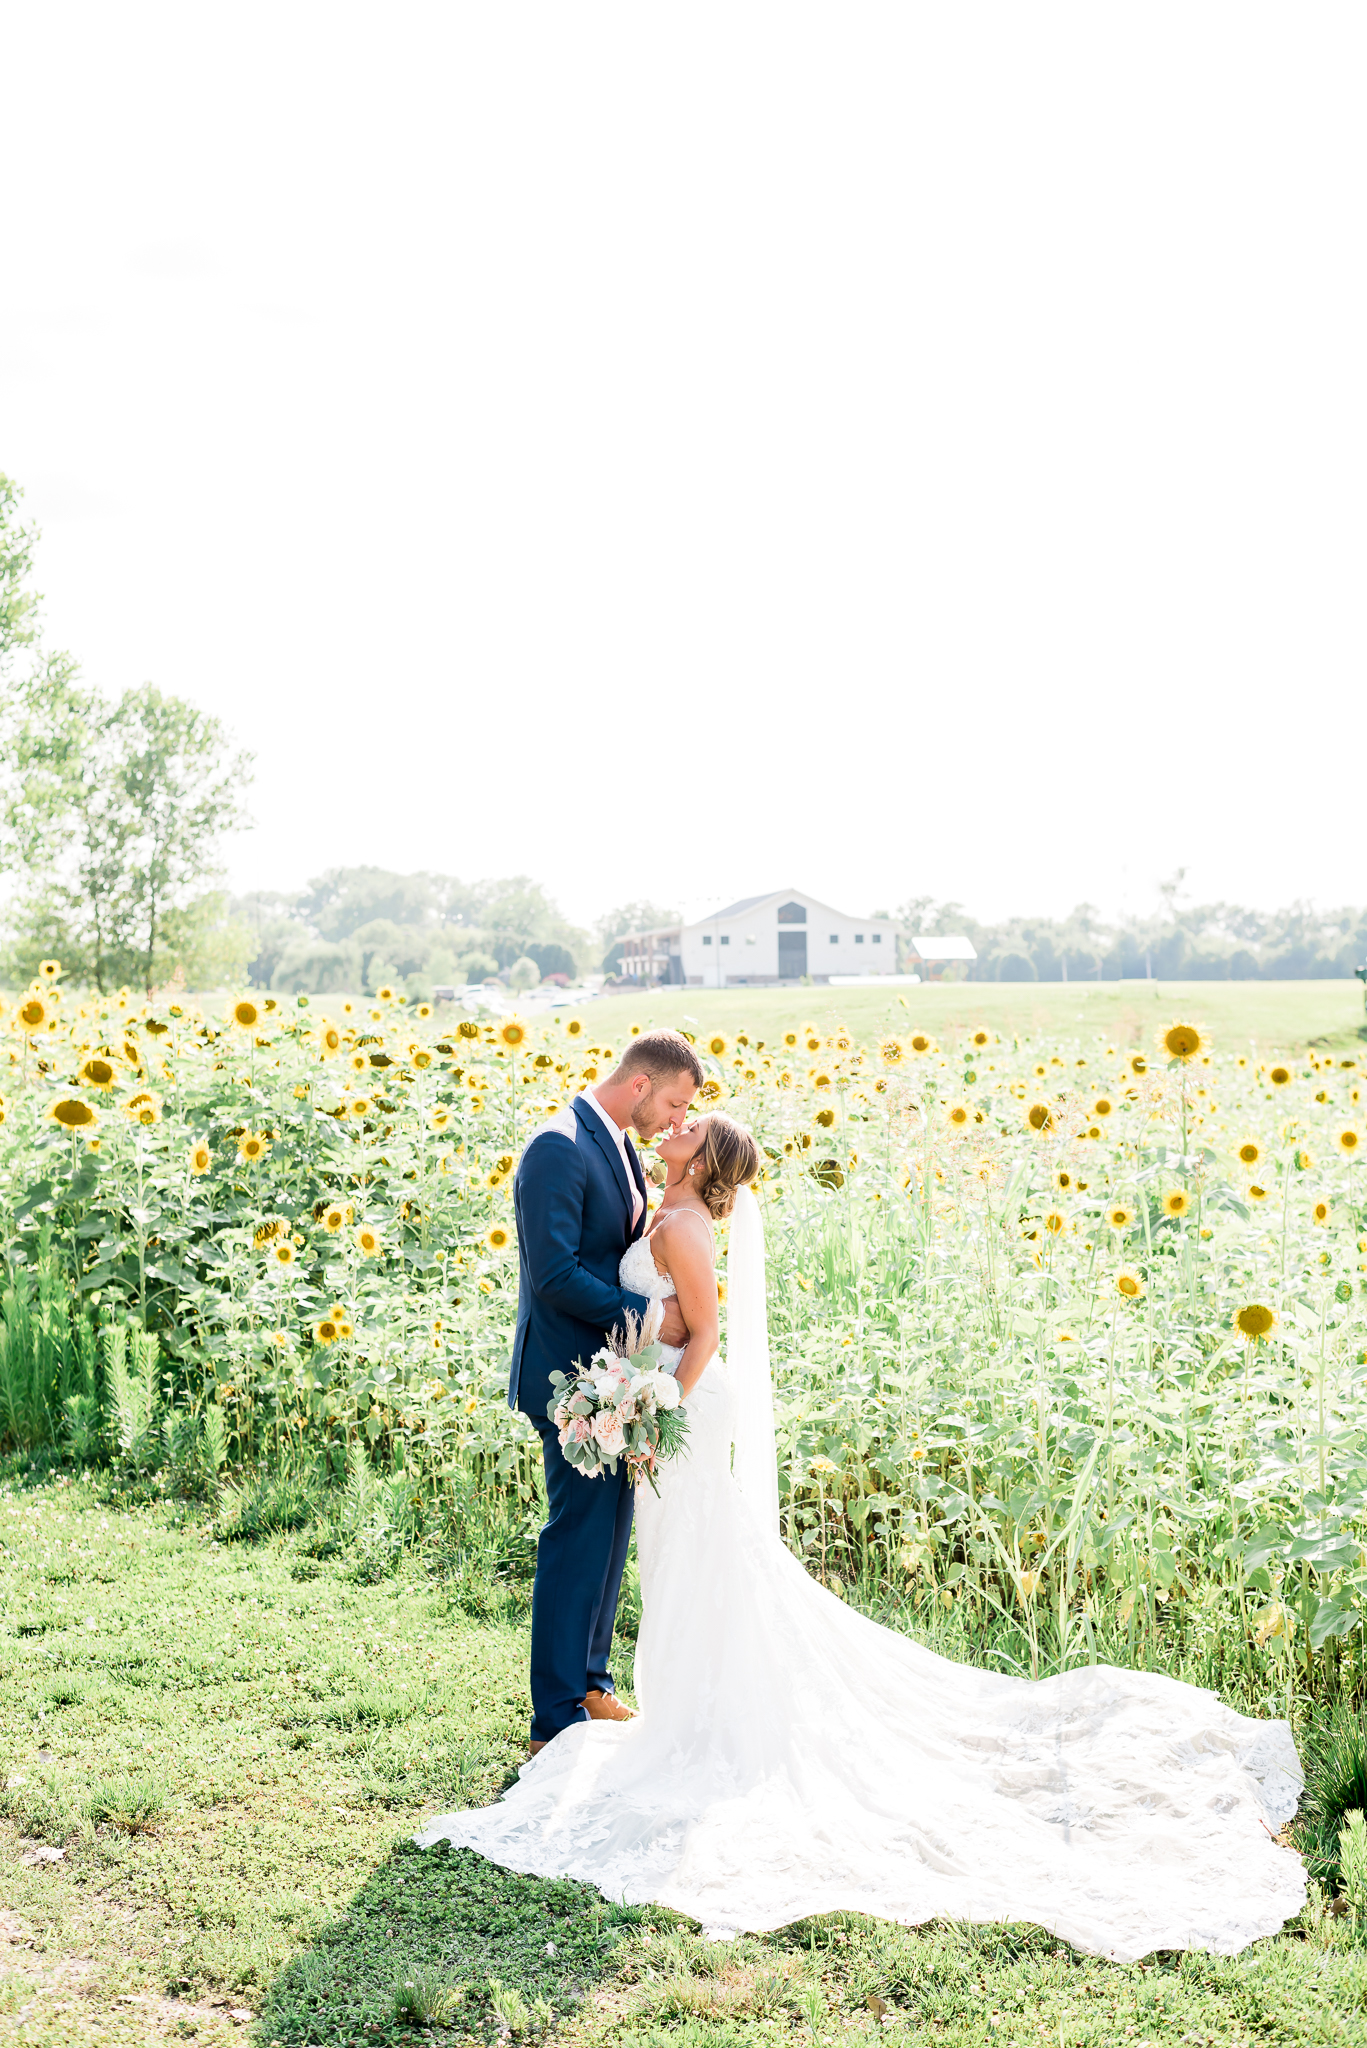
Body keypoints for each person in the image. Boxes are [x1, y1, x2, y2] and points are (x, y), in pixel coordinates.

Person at [421, 1111, 1305, 1962]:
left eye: (688, 1125)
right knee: (686, 1562)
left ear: (701, 1156)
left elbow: (706, 1335)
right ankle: (693, 1706)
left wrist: (657, 1406)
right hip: (656, 1418)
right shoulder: (665, 1209)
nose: (672, 1128)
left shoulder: (685, 1229)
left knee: (705, 1562)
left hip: (678, 1413)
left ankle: (716, 1720)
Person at [508, 1027, 703, 1752]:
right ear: (640, 1084)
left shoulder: (620, 1144)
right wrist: (655, 1315)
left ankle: (591, 1684)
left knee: (606, 1535)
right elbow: (554, 1274)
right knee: (575, 1536)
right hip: (565, 1376)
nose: (678, 1121)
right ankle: (553, 1715)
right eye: (676, 1103)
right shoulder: (556, 1146)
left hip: (612, 1379)